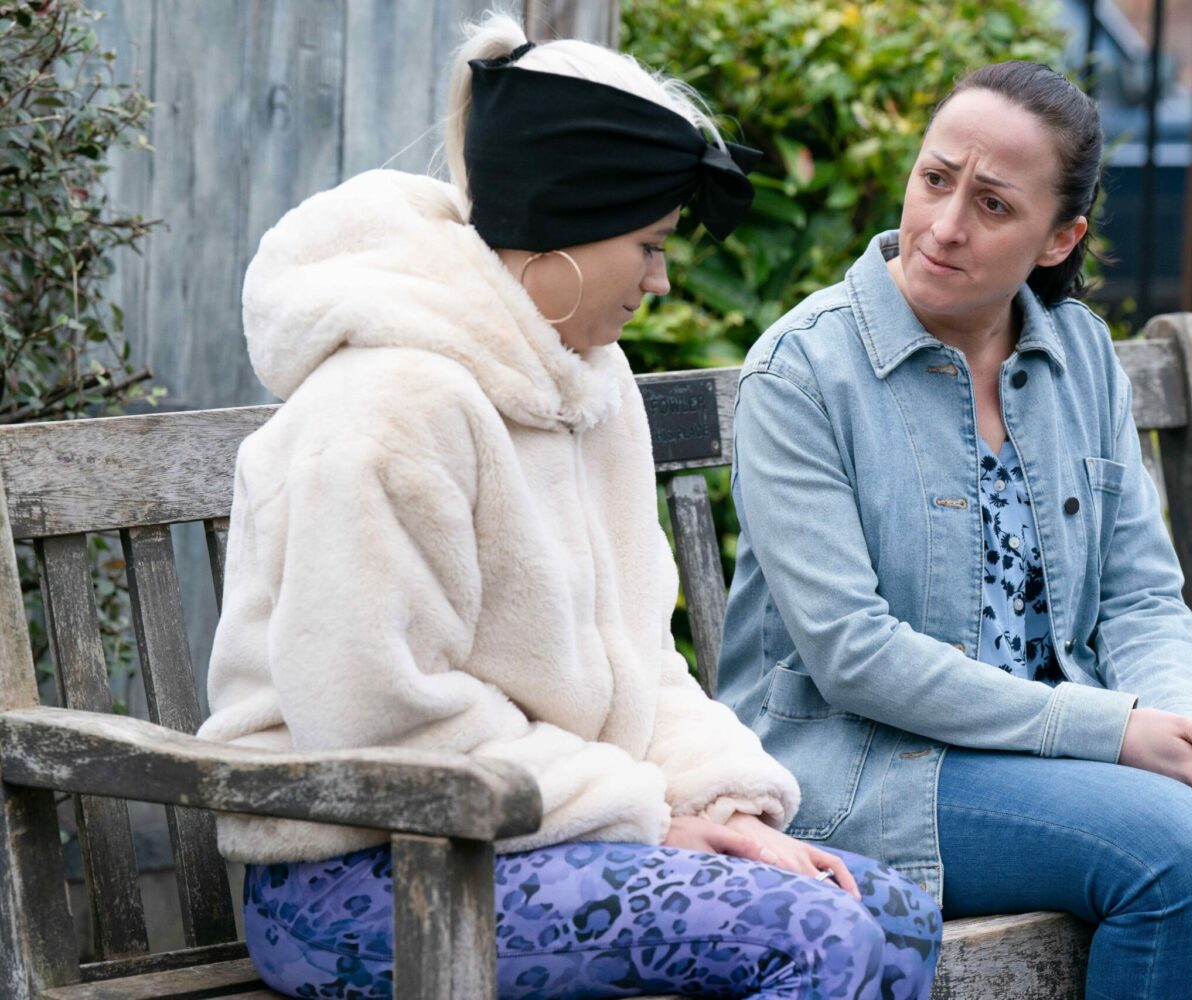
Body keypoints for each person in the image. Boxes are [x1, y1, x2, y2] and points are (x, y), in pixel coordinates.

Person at [197, 12, 940, 998]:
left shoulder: (593, 386)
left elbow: (641, 659)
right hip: (362, 876)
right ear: (569, 225)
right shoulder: (389, 407)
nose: (660, 279)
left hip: (547, 835)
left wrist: (722, 804)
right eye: (649, 244)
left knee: (889, 913)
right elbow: (377, 717)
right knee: (812, 933)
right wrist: (651, 821)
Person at [717, 61, 1192, 999]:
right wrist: (1115, 732)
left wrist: (1189, 728)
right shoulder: (804, 371)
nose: (945, 225)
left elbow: (1139, 592)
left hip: (1057, 751)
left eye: (994, 205)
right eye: (936, 179)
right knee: (1175, 854)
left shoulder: (1077, 353)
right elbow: (853, 655)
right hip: (869, 765)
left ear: (1060, 238)